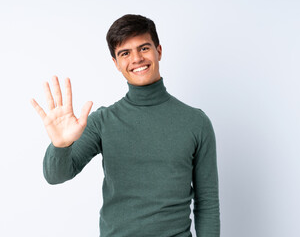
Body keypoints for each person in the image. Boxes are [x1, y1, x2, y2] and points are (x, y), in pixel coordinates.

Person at [31, 14, 220, 237]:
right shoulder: (103, 121)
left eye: (144, 48)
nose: (137, 58)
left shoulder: (196, 122)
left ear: (159, 51)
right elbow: (56, 176)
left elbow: (207, 203)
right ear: (116, 63)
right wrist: (60, 145)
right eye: (125, 53)